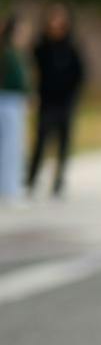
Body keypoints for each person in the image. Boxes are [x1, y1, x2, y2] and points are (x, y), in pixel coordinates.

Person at [27, 2, 86, 198]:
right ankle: (31, 178)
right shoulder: (41, 46)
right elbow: (31, 70)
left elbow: (80, 74)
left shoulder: (71, 47)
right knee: (41, 140)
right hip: (46, 100)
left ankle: (58, 180)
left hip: (65, 102)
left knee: (63, 142)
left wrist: (74, 97)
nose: (56, 23)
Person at [0, 13, 29, 204]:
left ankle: (12, 186)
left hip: (16, 102)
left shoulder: (16, 54)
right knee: (9, 148)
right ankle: (8, 188)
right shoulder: (7, 53)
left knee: (16, 147)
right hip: (7, 101)